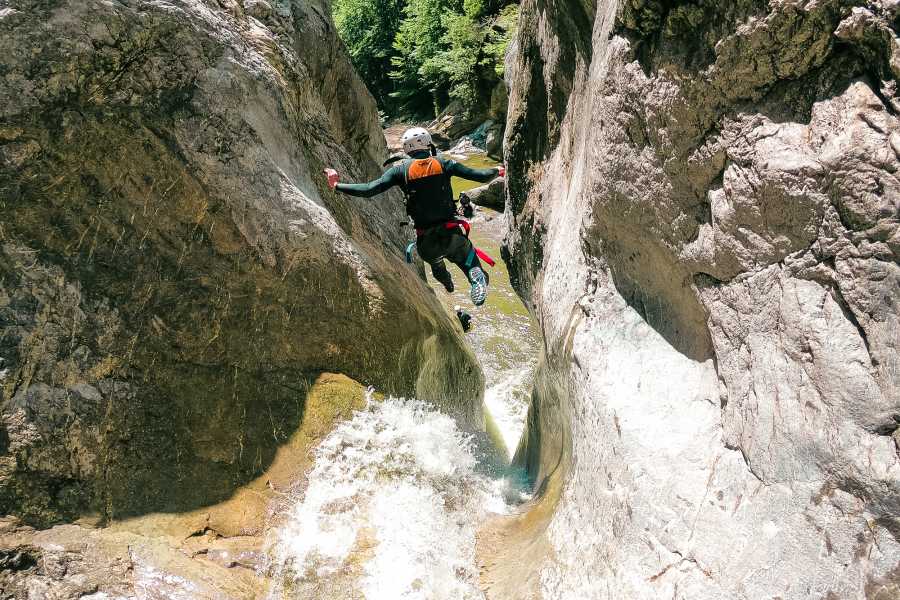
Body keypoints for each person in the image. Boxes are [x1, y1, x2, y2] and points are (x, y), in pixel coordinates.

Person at [324, 127, 504, 306]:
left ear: (406, 149)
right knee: (467, 259)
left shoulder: (399, 171)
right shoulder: (445, 163)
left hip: (426, 243)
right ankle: (474, 277)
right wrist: (498, 170)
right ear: (427, 144)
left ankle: (448, 284)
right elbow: (481, 176)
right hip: (452, 235)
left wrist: (337, 185)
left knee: (436, 263)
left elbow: (369, 189)